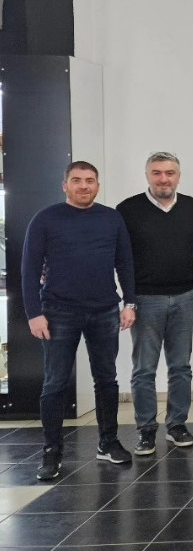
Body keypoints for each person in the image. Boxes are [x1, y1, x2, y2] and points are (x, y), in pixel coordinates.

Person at [23, 161, 137, 480]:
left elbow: (125, 263)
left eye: (90, 180)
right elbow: (29, 270)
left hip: (105, 310)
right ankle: (52, 451)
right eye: (77, 180)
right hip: (58, 312)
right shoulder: (45, 219)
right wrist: (34, 313)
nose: (84, 186)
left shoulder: (111, 218)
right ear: (65, 185)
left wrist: (129, 303)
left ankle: (108, 442)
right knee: (55, 383)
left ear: (97, 185)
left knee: (107, 379)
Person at [117, 152, 193, 455]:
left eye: (169, 173)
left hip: (184, 296)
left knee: (181, 366)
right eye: (157, 173)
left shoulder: (192, 206)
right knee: (144, 369)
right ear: (147, 175)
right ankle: (146, 430)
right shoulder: (128, 209)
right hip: (145, 299)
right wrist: (128, 301)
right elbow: (122, 259)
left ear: (178, 176)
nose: (163, 179)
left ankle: (177, 425)